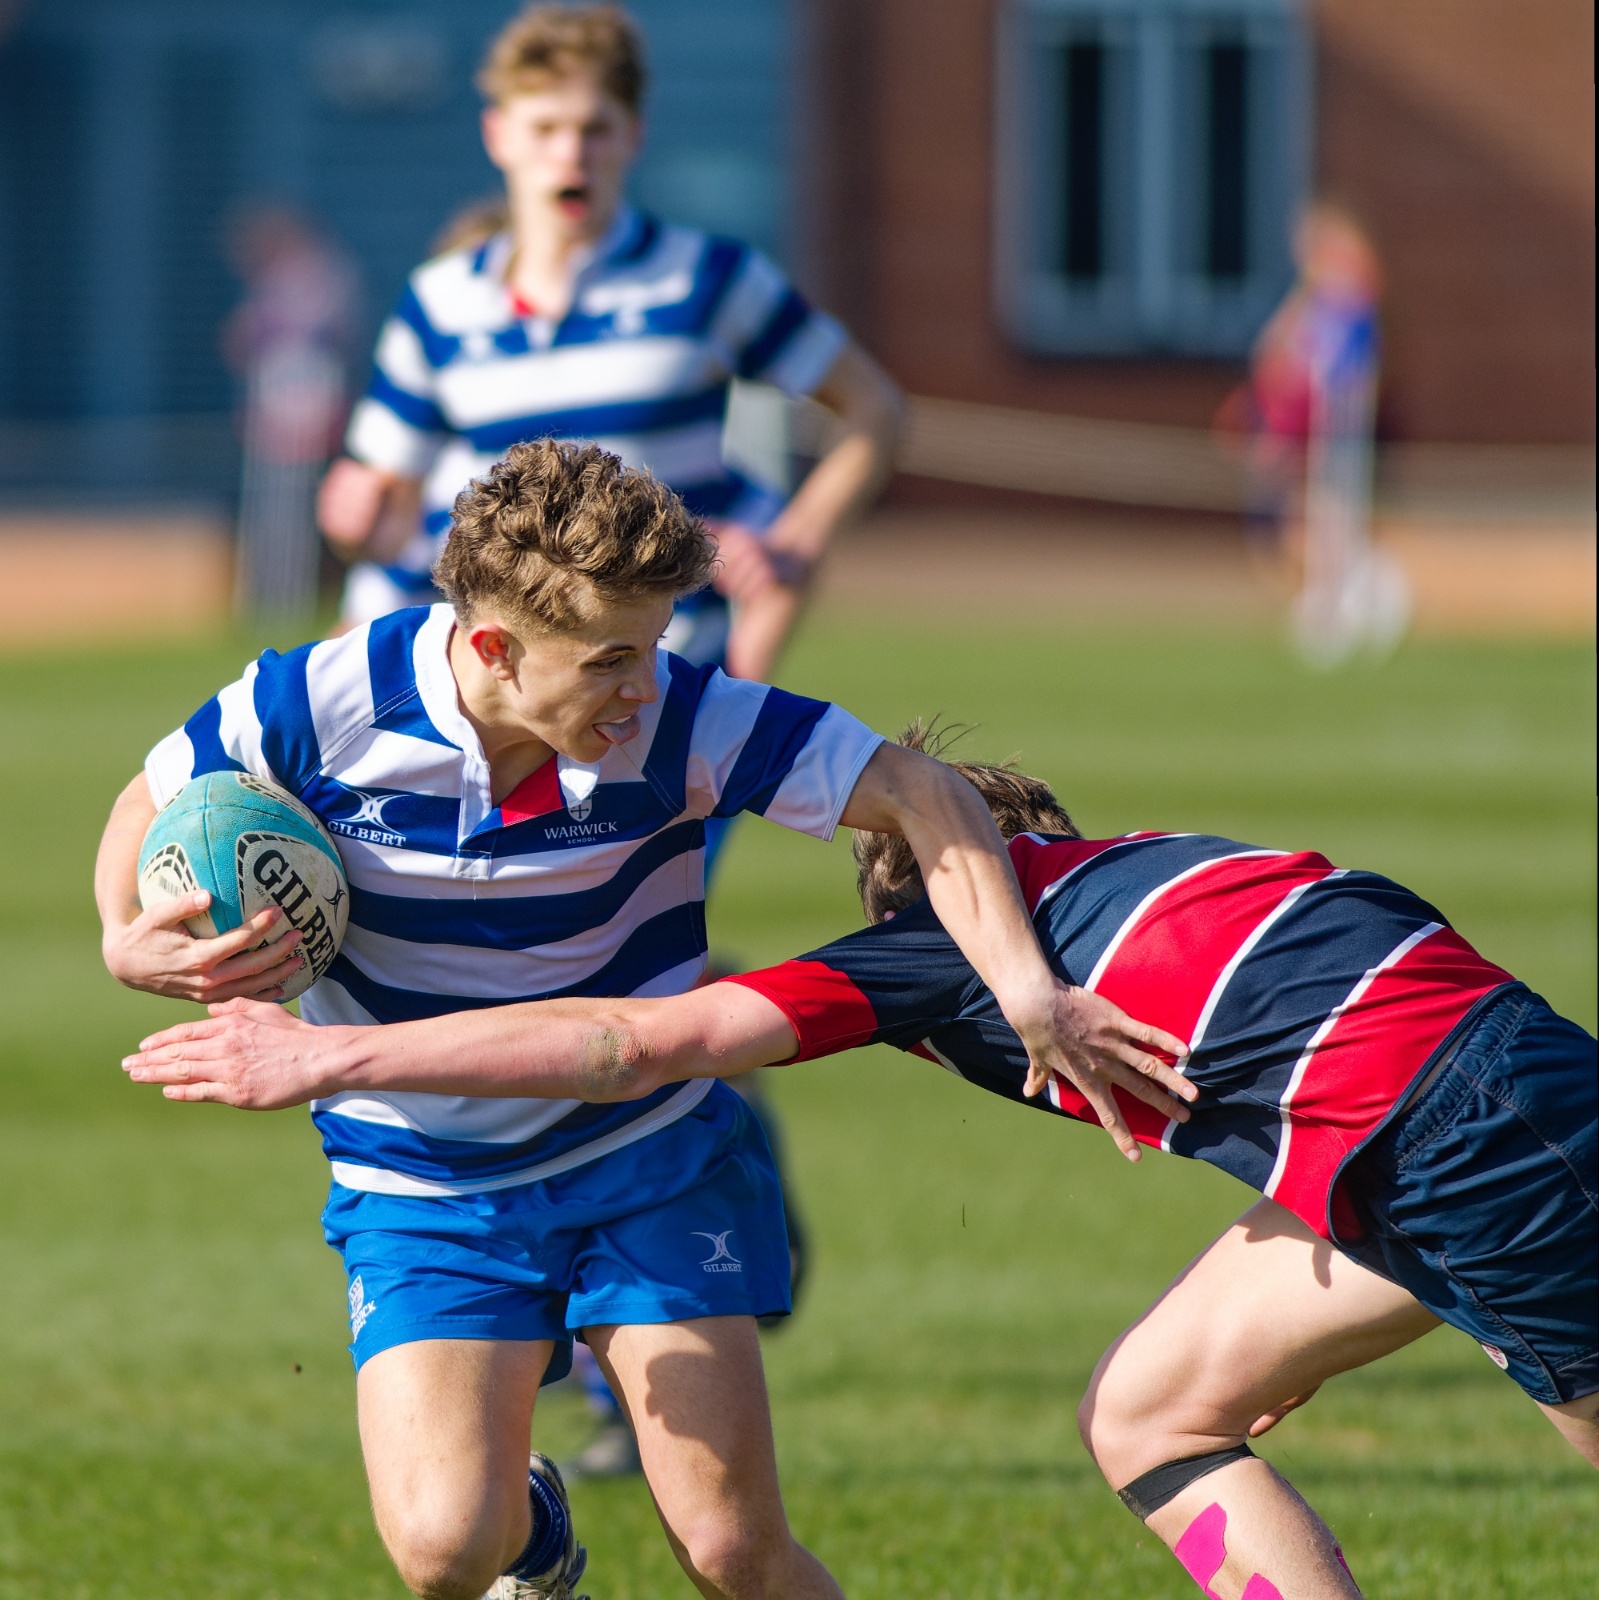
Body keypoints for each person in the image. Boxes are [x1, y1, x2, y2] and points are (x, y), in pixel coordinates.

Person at [126, 728, 1598, 1599]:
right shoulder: (1165, 860)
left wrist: (332, 1056)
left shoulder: (932, 952)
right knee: (1155, 1411)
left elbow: (644, 1043)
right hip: (1455, 1116)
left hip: (1469, 1153)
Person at [96, 445, 1183, 1600]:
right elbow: (154, 797)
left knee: (732, 1550)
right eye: (610, 659)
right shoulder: (321, 702)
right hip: (423, 1179)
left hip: (647, 1155)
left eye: (655, 647)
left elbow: (924, 791)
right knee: (445, 1552)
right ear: (494, 648)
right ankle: (536, 1535)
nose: (642, 686)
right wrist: (124, 934)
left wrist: (1027, 990)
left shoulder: (680, 717)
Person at [318, 1, 900, 692]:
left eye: (594, 129)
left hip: (664, 687)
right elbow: (389, 527)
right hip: (507, 697)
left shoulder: (710, 278)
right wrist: (351, 520)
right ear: (498, 135)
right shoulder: (437, 303)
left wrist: (795, 543)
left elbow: (873, 409)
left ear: (634, 134)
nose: (570, 154)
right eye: (545, 129)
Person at [1215, 202, 1408, 665]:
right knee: (1309, 517)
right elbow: (1277, 353)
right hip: (1303, 424)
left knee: (1333, 510)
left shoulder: (1347, 292)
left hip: (1337, 418)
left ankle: (1359, 596)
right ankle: (1339, 597)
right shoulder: (1313, 299)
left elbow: (1349, 359)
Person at [224, 205, 358, 619]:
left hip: (312, 415)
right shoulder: (272, 288)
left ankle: (294, 596)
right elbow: (239, 342)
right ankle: (267, 596)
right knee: (272, 513)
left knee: (300, 514)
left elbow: (330, 339)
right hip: (275, 415)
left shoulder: (319, 279)